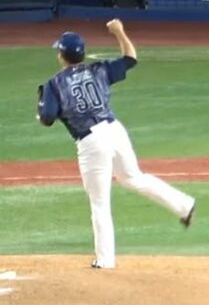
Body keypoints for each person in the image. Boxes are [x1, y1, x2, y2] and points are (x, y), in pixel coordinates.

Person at [36, 19, 197, 269]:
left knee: (99, 202)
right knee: (134, 178)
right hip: (115, 130)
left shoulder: (54, 85)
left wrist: (42, 109)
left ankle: (105, 260)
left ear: (61, 55)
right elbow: (130, 58)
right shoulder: (98, 70)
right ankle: (184, 205)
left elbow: (46, 118)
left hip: (91, 141)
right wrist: (119, 32)